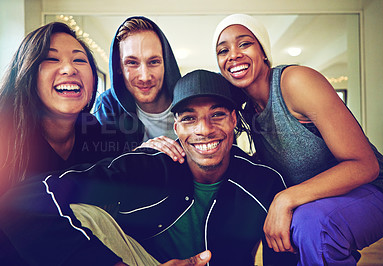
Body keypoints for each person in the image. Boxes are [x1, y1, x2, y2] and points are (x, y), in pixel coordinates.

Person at [0, 69, 289, 266]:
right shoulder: (146, 167)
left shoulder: (263, 182)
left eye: (217, 115)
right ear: (176, 128)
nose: (204, 129)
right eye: (189, 118)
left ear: (234, 121)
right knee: (82, 213)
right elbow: (22, 201)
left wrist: (286, 200)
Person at [209, 13, 383, 265]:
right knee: (278, 230)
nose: (233, 54)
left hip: (375, 191)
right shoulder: (246, 110)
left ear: (264, 51)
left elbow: (366, 165)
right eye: (223, 50)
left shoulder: (295, 82)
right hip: (312, 204)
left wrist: (285, 198)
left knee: (311, 224)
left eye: (245, 43)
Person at [0, 21, 123, 197]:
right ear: (26, 73)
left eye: (79, 60)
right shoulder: (5, 139)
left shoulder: (101, 137)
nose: (69, 69)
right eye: (52, 59)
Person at [94, 16, 181, 152]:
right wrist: (141, 153)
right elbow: (105, 163)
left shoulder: (188, 99)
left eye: (153, 62)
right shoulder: (108, 104)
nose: (145, 77)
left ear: (166, 64)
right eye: (132, 63)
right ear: (119, 68)